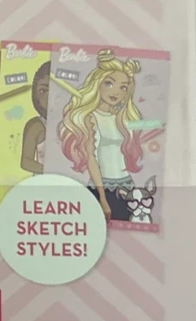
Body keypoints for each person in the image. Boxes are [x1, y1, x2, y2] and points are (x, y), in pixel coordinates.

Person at [57, 49, 145, 221]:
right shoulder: (90, 118)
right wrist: (102, 198)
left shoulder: (121, 118)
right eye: (109, 83)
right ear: (98, 83)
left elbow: (143, 127)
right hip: (103, 188)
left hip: (127, 186)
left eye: (123, 87)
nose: (116, 92)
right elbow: (91, 158)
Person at [19, 60, 50, 176]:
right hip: (43, 182)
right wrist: (52, 170)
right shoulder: (36, 125)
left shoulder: (71, 123)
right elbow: (26, 162)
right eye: (43, 90)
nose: (49, 96)